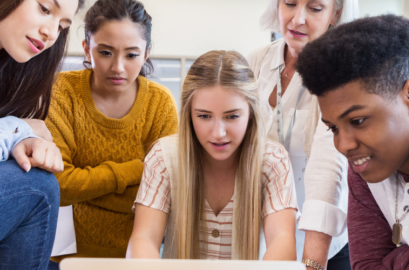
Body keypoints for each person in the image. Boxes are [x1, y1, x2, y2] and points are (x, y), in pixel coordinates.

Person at [296, 14, 409, 269]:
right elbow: (368, 265)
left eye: (358, 121)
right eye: (333, 128)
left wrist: (399, 261)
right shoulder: (366, 165)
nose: (344, 145)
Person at [127, 50, 297, 260]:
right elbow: (143, 239)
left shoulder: (273, 161)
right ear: (189, 113)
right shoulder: (163, 157)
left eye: (232, 116)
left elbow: (282, 240)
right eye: (205, 116)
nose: (218, 133)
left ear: (251, 112)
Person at [45, 0, 178, 268]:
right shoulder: (62, 92)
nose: (118, 67)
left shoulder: (160, 104)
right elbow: (58, 186)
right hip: (60, 258)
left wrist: (85, 188)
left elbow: (164, 195)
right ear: (86, 48)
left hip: (136, 256)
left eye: (131, 55)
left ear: (147, 53)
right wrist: (136, 171)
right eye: (105, 52)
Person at [247, 0, 358, 269]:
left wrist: (312, 262)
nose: (297, 19)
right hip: (261, 236)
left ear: (336, 13)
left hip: (322, 243)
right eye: (290, 3)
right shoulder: (256, 61)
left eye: (315, 8)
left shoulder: (342, 72)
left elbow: (327, 166)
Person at [0, 0, 83, 269]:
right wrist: (19, 129)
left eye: (61, 26)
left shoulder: (18, 74)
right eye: (45, 8)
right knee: (40, 189)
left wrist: (22, 138)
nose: (50, 32)